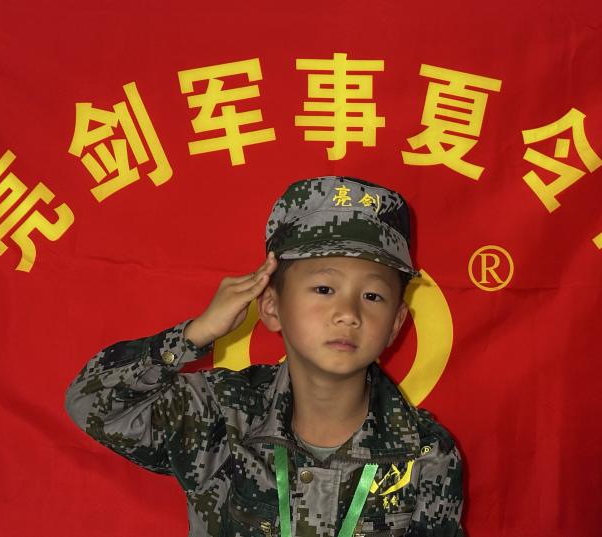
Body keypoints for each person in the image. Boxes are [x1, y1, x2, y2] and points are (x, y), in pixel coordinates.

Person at [65, 176, 465, 537]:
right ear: (271, 306)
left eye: (373, 295)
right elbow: (92, 404)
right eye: (324, 289)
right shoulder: (223, 414)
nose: (348, 313)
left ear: (396, 324)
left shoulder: (424, 452)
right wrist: (194, 335)